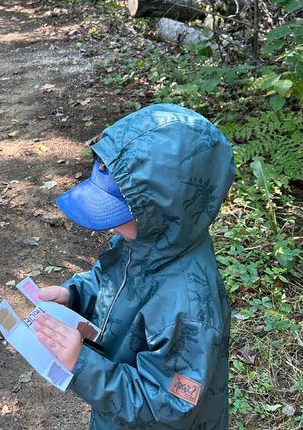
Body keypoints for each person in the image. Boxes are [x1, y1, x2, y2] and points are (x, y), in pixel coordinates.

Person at [32, 103, 235, 429]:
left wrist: (83, 365)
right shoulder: (147, 240)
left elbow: (168, 408)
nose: (111, 227)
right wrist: (74, 296)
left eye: (117, 214)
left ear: (163, 211)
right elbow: (114, 283)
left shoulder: (189, 307)